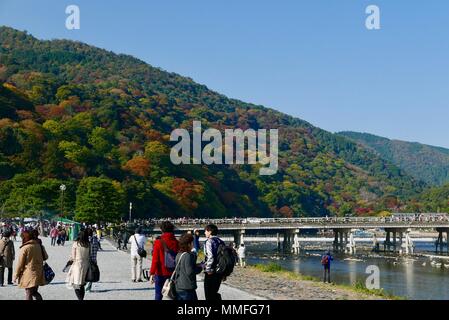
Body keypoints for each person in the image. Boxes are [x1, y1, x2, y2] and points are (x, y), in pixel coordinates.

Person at [14, 229, 48, 300]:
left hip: (29, 272)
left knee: (28, 292)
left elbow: (20, 263)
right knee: (35, 292)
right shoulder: (39, 245)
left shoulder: (25, 248)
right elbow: (46, 257)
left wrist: (16, 275)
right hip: (39, 272)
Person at [149, 221, 179, 300]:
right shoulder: (176, 242)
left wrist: (152, 273)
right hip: (173, 272)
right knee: (173, 293)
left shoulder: (158, 242)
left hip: (160, 272)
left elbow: (155, 260)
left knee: (158, 294)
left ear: (161, 230)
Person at [174, 233, 203, 300]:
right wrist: (200, 267)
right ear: (188, 244)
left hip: (179, 285)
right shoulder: (187, 256)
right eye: (192, 242)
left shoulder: (179, 254)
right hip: (187, 287)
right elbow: (190, 272)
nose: (193, 244)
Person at [66, 230, 90, 300]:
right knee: (82, 284)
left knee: (76, 284)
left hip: (77, 265)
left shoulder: (76, 244)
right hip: (86, 265)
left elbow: (73, 257)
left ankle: (80, 299)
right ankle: (81, 298)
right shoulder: (88, 244)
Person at [203, 224, 225, 301]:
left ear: (210, 231)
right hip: (220, 271)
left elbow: (210, 256)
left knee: (208, 294)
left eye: (205, 231)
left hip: (211, 271)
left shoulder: (209, 241)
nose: (205, 233)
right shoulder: (221, 241)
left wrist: (208, 269)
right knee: (214, 292)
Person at [85, 228, 100, 293]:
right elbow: (97, 248)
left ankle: (84, 286)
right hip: (93, 259)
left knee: (85, 273)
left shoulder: (85, 239)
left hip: (86, 259)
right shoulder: (95, 239)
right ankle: (88, 288)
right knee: (91, 274)